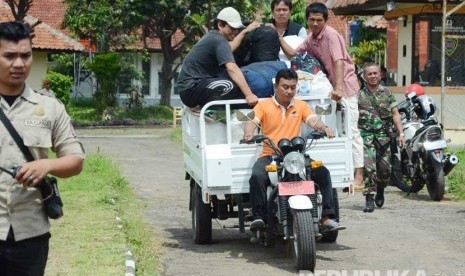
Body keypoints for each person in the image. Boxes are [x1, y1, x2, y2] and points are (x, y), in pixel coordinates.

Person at [0, 21, 85, 275]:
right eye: (9, 56)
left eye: (25, 56)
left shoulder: (50, 108)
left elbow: (76, 159)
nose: (19, 64)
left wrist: (47, 165)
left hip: (30, 234)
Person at [243, 69, 345, 231]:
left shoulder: (301, 105)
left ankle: (327, 217)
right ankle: (260, 217)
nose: (289, 91)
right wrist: (248, 133)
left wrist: (324, 128)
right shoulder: (263, 105)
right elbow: (252, 121)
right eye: (285, 87)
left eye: (292, 87)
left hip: (295, 156)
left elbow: (312, 120)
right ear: (276, 86)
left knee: (323, 173)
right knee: (257, 176)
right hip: (270, 155)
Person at [279, 2, 364, 189]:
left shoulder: (331, 36)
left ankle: (359, 175)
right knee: (334, 129)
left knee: (351, 129)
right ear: (307, 20)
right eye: (312, 20)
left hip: (345, 87)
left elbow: (339, 62)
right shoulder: (311, 38)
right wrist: (278, 37)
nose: (315, 23)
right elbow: (293, 54)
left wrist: (340, 89)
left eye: (319, 20)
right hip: (330, 88)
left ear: (325, 20)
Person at [178, 7, 260, 110]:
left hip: (193, 87)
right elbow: (232, 68)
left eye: (237, 29)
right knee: (229, 86)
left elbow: (230, 48)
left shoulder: (214, 37)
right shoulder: (218, 40)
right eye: (232, 28)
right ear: (220, 25)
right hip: (190, 88)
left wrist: (244, 32)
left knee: (236, 90)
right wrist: (249, 95)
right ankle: (207, 110)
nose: (235, 32)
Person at [358, 63, 405, 212]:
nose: (372, 76)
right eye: (369, 74)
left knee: (385, 171)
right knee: (369, 168)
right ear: (364, 77)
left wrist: (401, 133)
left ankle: (380, 189)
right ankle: (369, 198)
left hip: (384, 138)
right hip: (365, 138)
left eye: (375, 73)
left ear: (380, 75)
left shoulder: (388, 93)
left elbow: (395, 114)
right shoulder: (358, 95)